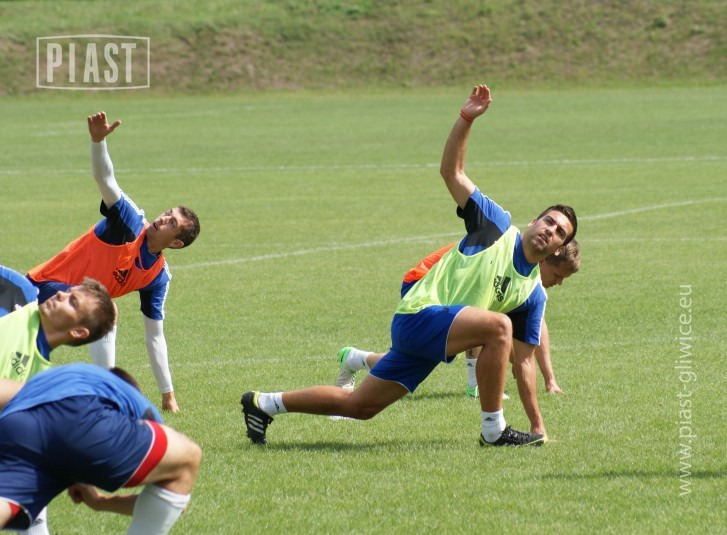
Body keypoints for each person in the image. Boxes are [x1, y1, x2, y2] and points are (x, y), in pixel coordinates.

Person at [241, 84, 577, 447]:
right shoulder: (495, 225)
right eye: (549, 221)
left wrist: (538, 426)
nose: (551, 230)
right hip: (419, 314)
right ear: (533, 221)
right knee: (498, 326)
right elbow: (451, 172)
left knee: (360, 406)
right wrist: (466, 118)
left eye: (559, 232)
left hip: (436, 339)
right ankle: (493, 430)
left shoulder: (532, 295)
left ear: (559, 247)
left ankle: (264, 403)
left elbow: (523, 363)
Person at [26, 112, 201, 413]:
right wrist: (98, 142)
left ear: (176, 243)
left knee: (99, 310)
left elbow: (155, 335)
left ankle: (101, 394)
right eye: (167, 213)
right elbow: (105, 179)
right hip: (42, 286)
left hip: (72, 302)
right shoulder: (129, 224)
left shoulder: (157, 277)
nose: (163, 218)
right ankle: (105, 392)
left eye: (172, 223)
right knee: (104, 307)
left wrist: (168, 394)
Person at [334, 239, 581, 397]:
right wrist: (515, 364)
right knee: (485, 326)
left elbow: (536, 328)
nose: (559, 283)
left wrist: (549, 380)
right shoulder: (511, 258)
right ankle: (475, 385)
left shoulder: (529, 282)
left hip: (445, 297)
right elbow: (476, 310)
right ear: (543, 259)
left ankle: (354, 359)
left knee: (408, 364)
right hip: (422, 285)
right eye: (557, 275)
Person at [0, 363, 202, 534]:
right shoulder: (135, 402)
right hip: (85, 431)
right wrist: (102, 502)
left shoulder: (69, 377)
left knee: (8, 502)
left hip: (21, 428)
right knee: (185, 461)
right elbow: (176, 503)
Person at [0, 275, 115, 535]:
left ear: (78, 332)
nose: (60, 294)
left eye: (72, 301)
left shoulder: (38, 375)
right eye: (68, 292)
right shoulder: (20, 295)